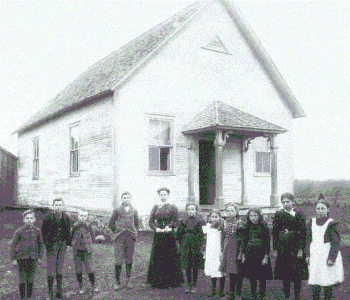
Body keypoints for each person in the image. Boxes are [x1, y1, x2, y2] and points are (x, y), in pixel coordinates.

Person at [305, 195, 344, 300]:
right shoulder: (311, 223)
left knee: (327, 281)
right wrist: (307, 255)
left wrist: (331, 258)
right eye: (318, 208)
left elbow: (336, 243)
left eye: (323, 208)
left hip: (326, 255)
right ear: (315, 210)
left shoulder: (331, 224)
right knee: (315, 281)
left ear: (327, 209)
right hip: (315, 255)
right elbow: (307, 240)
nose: (320, 211)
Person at [273, 193, 308, 300]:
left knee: (296, 274)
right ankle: (286, 296)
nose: (286, 204)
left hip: (295, 248)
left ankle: (297, 296)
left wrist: (301, 249)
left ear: (293, 202)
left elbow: (302, 232)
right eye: (283, 202)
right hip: (283, 248)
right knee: (285, 274)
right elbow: (275, 232)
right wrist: (275, 249)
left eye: (288, 202)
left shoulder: (299, 214)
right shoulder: (279, 214)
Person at [147, 187, 184, 289]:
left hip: (169, 235)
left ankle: (170, 281)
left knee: (169, 257)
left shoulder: (173, 207)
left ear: (168, 195)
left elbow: (176, 221)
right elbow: (150, 221)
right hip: (159, 235)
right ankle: (157, 281)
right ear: (159, 196)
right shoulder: (155, 207)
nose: (163, 197)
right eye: (161, 195)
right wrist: (156, 228)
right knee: (158, 256)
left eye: (165, 195)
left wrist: (170, 227)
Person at [10, 209, 45, 300]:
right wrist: (14, 258)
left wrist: (40, 257)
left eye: (31, 218)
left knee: (31, 278)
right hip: (21, 258)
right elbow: (13, 245)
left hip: (33, 258)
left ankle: (29, 297)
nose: (29, 220)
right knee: (22, 278)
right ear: (23, 220)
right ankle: (22, 297)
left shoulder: (38, 231)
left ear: (34, 219)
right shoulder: (19, 231)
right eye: (27, 218)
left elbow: (41, 244)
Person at [109, 192, 140, 290]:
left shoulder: (134, 210)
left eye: (128, 198)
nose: (126, 199)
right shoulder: (117, 210)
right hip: (120, 237)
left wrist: (134, 233)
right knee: (118, 260)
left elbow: (137, 223)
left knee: (129, 258)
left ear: (130, 199)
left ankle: (128, 280)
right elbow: (111, 223)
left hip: (130, 237)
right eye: (124, 198)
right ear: (121, 199)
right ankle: (117, 282)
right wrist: (118, 231)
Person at [42, 198, 71, 300]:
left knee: (59, 268)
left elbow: (68, 231)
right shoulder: (48, 218)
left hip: (62, 245)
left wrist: (68, 242)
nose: (58, 207)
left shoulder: (66, 217)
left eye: (60, 205)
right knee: (51, 268)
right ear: (53, 206)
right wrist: (48, 244)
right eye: (56, 205)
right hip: (52, 245)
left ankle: (59, 290)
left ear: (63, 206)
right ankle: (49, 292)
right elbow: (44, 233)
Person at [241, 207, 273, 300]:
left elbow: (267, 242)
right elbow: (244, 241)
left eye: (255, 215)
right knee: (252, 275)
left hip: (261, 254)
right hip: (250, 254)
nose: (253, 218)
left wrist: (266, 256)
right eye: (251, 215)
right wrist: (243, 255)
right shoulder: (247, 226)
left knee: (262, 275)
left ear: (259, 216)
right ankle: (253, 294)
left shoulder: (264, 226)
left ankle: (262, 294)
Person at [177, 203, 205, 294]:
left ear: (196, 210)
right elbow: (179, 234)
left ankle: (194, 285)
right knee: (187, 265)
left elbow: (202, 235)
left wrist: (201, 246)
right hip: (186, 245)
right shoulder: (183, 221)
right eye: (189, 209)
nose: (190, 211)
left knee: (195, 265)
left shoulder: (200, 221)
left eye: (192, 209)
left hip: (195, 245)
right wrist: (182, 243)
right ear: (186, 211)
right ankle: (188, 284)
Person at [71, 209, 99, 294]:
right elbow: (71, 236)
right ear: (78, 216)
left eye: (85, 216)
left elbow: (93, 237)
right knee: (78, 270)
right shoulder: (75, 226)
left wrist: (89, 245)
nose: (83, 218)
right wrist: (73, 243)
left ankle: (94, 285)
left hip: (87, 251)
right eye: (81, 216)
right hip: (77, 251)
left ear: (87, 217)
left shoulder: (89, 226)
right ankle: (81, 286)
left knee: (90, 269)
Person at [220, 203, 244, 300]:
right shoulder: (224, 222)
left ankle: (238, 293)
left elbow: (242, 239)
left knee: (237, 272)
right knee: (230, 272)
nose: (230, 213)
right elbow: (222, 237)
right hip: (227, 248)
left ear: (236, 212)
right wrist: (221, 250)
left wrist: (240, 252)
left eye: (232, 211)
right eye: (228, 211)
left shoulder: (239, 223)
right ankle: (231, 293)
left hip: (236, 248)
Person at [202, 208, 225, 298]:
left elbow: (223, 240)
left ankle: (221, 291)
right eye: (212, 217)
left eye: (216, 217)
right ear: (210, 217)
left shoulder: (222, 227)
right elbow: (205, 240)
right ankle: (213, 290)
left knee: (220, 271)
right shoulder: (208, 226)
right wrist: (204, 251)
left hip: (218, 250)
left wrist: (222, 251)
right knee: (212, 270)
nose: (214, 219)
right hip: (210, 251)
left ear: (219, 217)